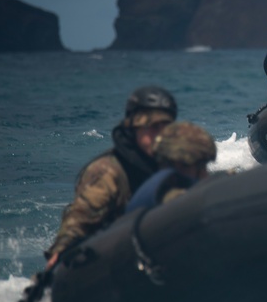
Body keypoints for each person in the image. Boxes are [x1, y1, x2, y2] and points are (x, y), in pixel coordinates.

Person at [43, 85, 176, 268]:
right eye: (152, 127)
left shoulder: (170, 167)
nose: (160, 135)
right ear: (133, 126)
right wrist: (61, 250)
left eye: (166, 127)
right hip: (108, 264)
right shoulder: (108, 171)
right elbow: (79, 218)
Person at [125, 121, 217, 211]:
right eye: (201, 166)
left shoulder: (149, 190)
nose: (205, 175)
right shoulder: (174, 203)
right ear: (180, 164)